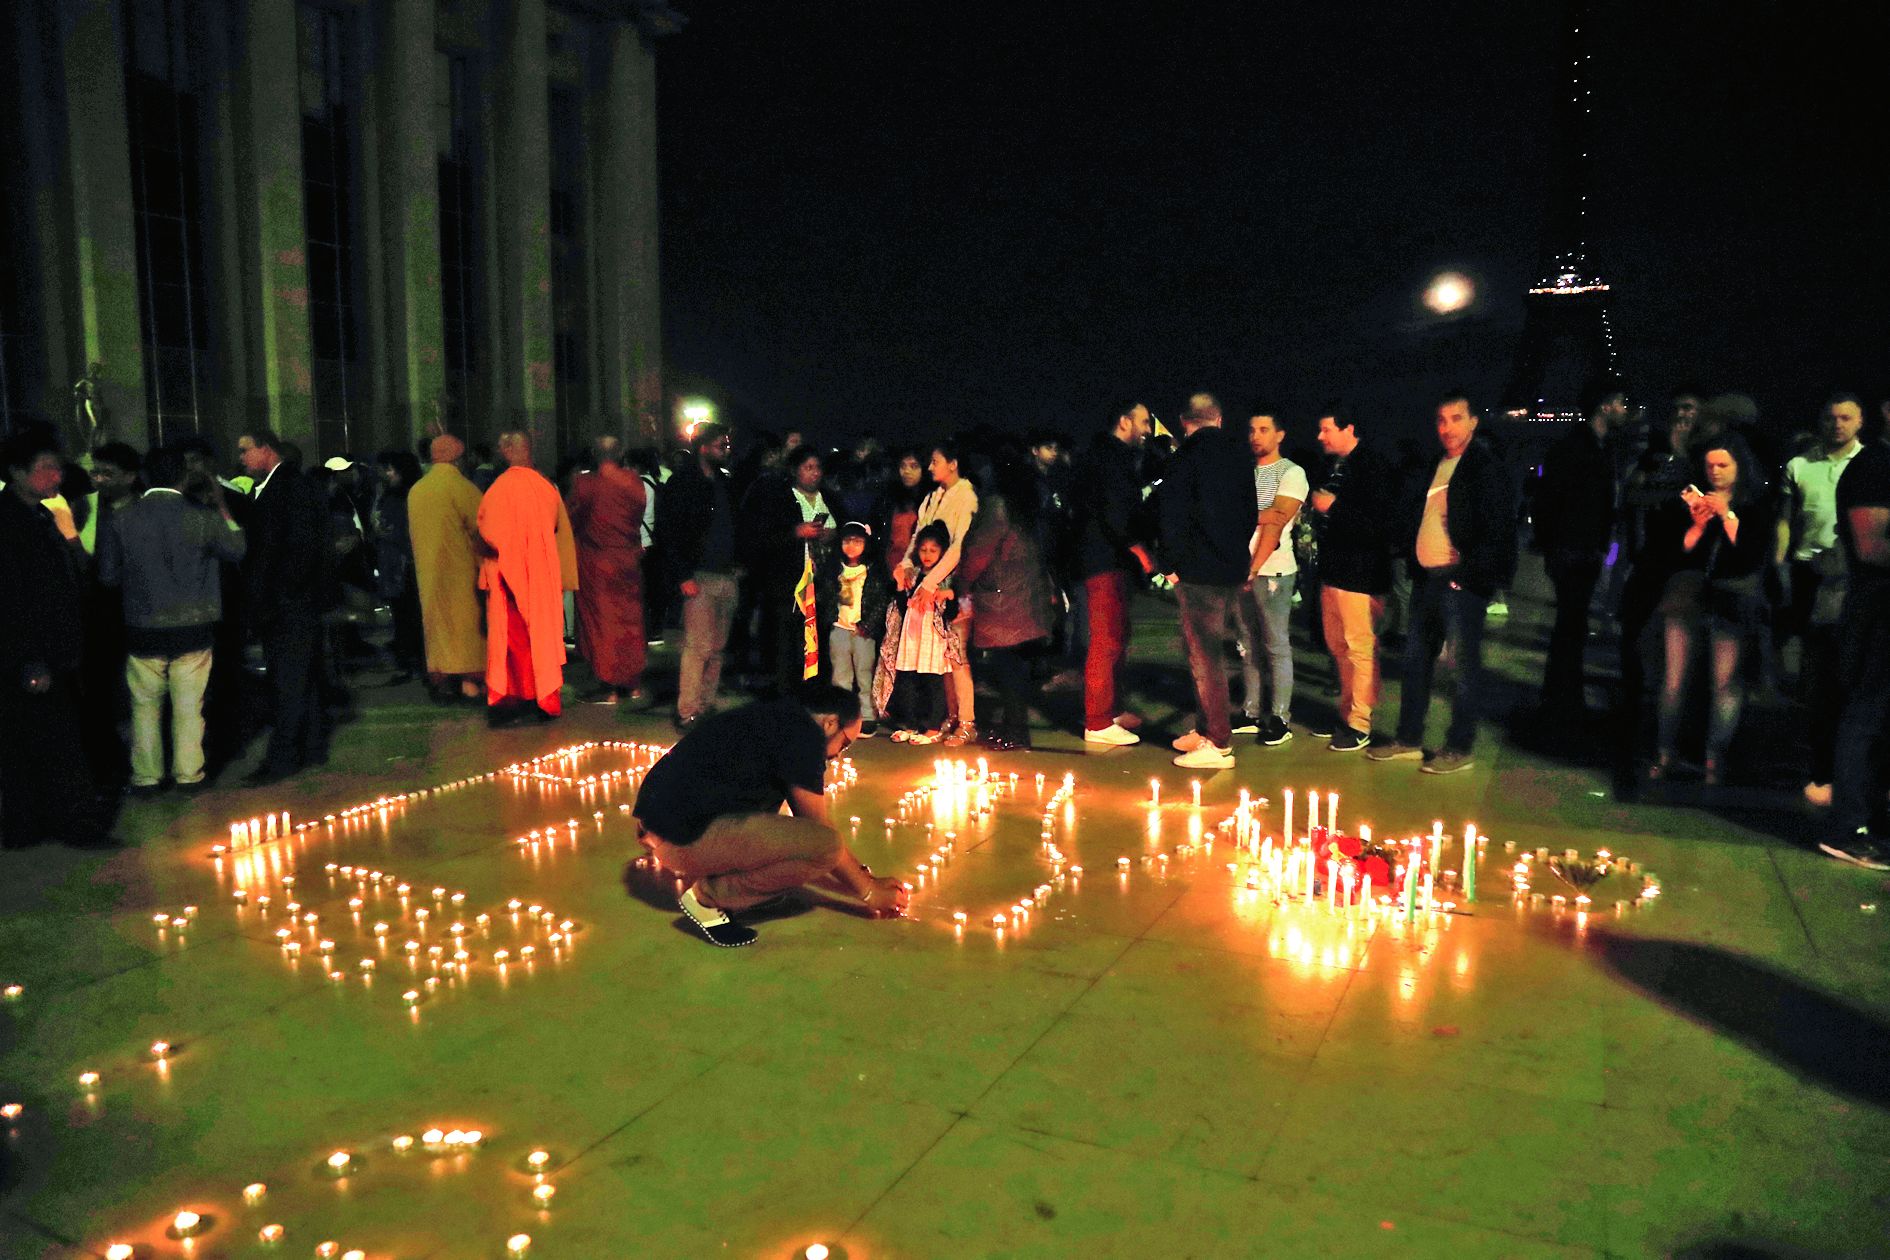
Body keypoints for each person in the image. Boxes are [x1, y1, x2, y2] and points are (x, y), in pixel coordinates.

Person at [633, 680, 909, 947]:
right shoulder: (803, 737)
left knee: (788, 831)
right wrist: (869, 892)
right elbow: (820, 831)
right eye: (845, 743)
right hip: (680, 840)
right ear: (830, 723)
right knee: (823, 845)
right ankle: (707, 899)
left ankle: (728, 881)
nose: (838, 755)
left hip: (658, 825)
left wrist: (865, 877)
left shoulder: (777, 714)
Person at [1368, 390, 1517, 774]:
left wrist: (1466, 576)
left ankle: (1459, 746)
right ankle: (1409, 738)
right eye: (1441, 420)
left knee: (1463, 668)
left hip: (1458, 583)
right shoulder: (1436, 465)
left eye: (1456, 418)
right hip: (1428, 579)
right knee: (1416, 661)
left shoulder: (1483, 467)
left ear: (1473, 422)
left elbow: (1497, 528)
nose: (1447, 427)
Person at [97, 445, 247, 792]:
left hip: (142, 624)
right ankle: (188, 773)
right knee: (189, 706)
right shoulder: (202, 515)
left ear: (145, 476)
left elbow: (108, 576)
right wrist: (221, 506)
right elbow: (237, 547)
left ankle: (146, 776)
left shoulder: (121, 519)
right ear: (183, 476)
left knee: (144, 706)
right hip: (194, 625)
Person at [1641, 433, 1775, 785]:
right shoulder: (1691, 498)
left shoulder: (1754, 504)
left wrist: (1728, 516)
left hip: (1730, 599)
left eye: (1723, 465)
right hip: (1688, 594)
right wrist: (1699, 525)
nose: (1715, 472)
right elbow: (1677, 553)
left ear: (1739, 467)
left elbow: (1750, 555)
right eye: (1710, 465)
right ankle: (1665, 751)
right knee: (1674, 680)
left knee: (1724, 683)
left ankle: (1714, 758)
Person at [0, 428, 106, 847]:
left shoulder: (40, 515)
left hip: (57, 650)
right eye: (45, 468)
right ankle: (65, 825)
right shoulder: (8, 523)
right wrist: (30, 659)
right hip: (30, 655)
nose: (56, 476)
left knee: (47, 739)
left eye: (57, 467)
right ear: (17, 472)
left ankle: (34, 824)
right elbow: (11, 598)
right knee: (45, 743)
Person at [1777, 394, 1865, 806]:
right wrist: (1779, 563)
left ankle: (1831, 764)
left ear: (1860, 421)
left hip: (1852, 574)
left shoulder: (1868, 466)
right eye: (1830, 417)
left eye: (1846, 418)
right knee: (1811, 672)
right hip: (1808, 571)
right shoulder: (1800, 465)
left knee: (1843, 669)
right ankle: (1814, 757)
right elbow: (1787, 518)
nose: (1837, 425)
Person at [1160, 393, 1255, 770]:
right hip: (1230, 565)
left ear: (1185, 421)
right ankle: (1205, 729)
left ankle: (1217, 740)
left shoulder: (1185, 458)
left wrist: (1170, 564)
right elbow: (1250, 512)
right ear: (1218, 419)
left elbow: (1172, 514)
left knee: (1203, 654)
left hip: (1197, 569)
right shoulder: (1238, 456)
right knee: (1209, 650)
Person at [236, 428, 332, 784]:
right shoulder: (294, 486)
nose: (242, 458)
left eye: (246, 450)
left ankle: (283, 757)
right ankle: (310, 747)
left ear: (267, 450)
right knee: (301, 679)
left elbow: (293, 549)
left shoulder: (286, 488)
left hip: (288, 603)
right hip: (296, 600)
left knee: (288, 681)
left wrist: (279, 596)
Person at [1819, 406, 1890, 870]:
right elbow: (1870, 547)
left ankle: (1869, 821)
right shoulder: (1875, 467)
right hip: (1879, 610)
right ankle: (1849, 828)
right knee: (1866, 714)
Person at [1533, 383, 1627, 716]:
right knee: (1571, 625)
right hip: (1575, 549)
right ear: (1605, 406)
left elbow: (1547, 498)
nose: (1624, 409)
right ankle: (1563, 697)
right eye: (1619, 402)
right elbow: (1553, 500)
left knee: (1570, 624)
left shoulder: (1584, 446)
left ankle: (1561, 694)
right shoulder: (1583, 448)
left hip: (1575, 547)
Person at [1309, 406, 1396, 752]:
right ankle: (1347, 715)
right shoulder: (1336, 466)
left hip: (1361, 575)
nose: (1320, 436)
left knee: (1360, 648)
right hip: (1334, 572)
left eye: (1326, 429)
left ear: (1349, 429)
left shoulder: (1373, 466)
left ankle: (1360, 722)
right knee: (1339, 647)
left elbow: (1381, 523)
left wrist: (1333, 508)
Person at [477, 430, 579, 726]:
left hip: (508, 580)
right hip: (542, 575)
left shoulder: (499, 488)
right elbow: (558, 527)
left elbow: (488, 533)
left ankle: (512, 699)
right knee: (542, 640)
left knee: (512, 644)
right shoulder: (546, 486)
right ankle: (544, 699)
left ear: (508, 450)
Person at [957, 454, 1056, 751]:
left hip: (1003, 596)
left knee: (1007, 667)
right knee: (1016, 666)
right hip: (1025, 593)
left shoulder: (997, 507)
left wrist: (964, 583)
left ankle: (1015, 731)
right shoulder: (1029, 507)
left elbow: (979, 551)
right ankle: (1015, 727)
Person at [1072, 402, 1154, 746]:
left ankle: (1112, 710)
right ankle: (1098, 721)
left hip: (1109, 559)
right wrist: (1139, 550)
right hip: (1104, 559)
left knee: (1117, 637)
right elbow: (1115, 513)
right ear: (1124, 422)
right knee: (1105, 640)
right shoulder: (1110, 459)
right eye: (1144, 422)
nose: (1149, 429)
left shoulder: (1106, 456)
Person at [658, 423, 741, 728]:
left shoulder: (724, 482)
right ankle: (687, 709)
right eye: (721, 445)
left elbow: (734, 524)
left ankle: (705, 704)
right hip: (699, 575)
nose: (726, 450)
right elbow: (669, 532)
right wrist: (683, 574)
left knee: (717, 647)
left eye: (727, 445)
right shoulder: (683, 483)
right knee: (697, 647)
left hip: (725, 574)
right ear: (703, 447)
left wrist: (737, 565)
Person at [1232, 408, 1307, 747]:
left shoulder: (1291, 473)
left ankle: (1280, 716)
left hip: (1273, 569)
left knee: (1275, 644)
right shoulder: (1244, 474)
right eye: (1251, 429)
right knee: (1247, 645)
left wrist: (1253, 567)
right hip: (1241, 570)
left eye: (1264, 429)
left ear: (1280, 434)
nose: (1255, 436)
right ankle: (1250, 712)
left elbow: (1277, 519)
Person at [896, 442, 979, 744]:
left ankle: (967, 721)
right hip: (928, 586)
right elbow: (918, 537)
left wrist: (931, 584)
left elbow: (959, 546)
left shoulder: (966, 496)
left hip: (954, 589)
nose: (930, 467)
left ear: (953, 463)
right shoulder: (932, 497)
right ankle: (951, 715)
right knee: (943, 658)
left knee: (957, 657)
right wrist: (905, 565)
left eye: (935, 461)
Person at [743, 445, 835, 692]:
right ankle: (787, 691)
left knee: (816, 638)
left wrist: (832, 535)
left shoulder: (829, 498)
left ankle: (814, 688)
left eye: (817, 467)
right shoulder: (781, 499)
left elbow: (849, 528)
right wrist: (795, 532)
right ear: (795, 471)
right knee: (787, 640)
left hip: (821, 581)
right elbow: (764, 538)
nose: (815, 473)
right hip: (788, 582)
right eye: (808, 467)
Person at [566, 434, 649, 705]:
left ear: (594, 454)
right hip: (628, 559)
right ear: (621, 453)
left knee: (602, 625)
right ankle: (632, 683)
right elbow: (636, 517)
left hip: (598, 562)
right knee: (630, 622)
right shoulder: (634, 482)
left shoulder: (586, 484)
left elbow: (572, 519)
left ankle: (609, 686)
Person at [407, 434, 488, 702]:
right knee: (465, 629)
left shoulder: (417, 490)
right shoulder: (463, 488)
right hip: (460, 571)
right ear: (458, 458)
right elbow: (482, 528)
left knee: (437, 628)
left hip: (427, 573)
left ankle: (442, 681)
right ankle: (468, 683)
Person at [877, 521, 962, 743]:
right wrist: (898, 585)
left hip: (932, 637)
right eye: (923, 549)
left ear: (943, 552)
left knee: (932, 682)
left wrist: (949, 595)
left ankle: (932, 727)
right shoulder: (913, 574)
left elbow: (952, 611)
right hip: (911, 635)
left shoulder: (945, 578)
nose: (927, 555)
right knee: (907, 680)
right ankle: (910, 724)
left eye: (933, 550)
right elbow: (903, 606)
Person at [816, 520, 894, 737]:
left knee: (864, 674)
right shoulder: (833, 569)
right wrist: (830, 618)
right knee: (840, 675)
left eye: (857, 542)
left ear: (866, 544)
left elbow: (880, 601)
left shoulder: (873, 571)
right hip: (839, 628)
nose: (851, 546)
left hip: (863, 632)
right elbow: (825, 595)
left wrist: (868, 625)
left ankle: (867, 716)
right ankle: (842, 714)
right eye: (847, 541)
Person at [372, 451, 425, 685]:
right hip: (397, 565)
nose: (387, 474)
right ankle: (412, 662)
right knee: (404, 615)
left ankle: (412, 663)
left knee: (409, 616)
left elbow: (396, 531)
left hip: (403, 566)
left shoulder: (406, 497)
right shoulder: (391, 494)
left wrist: (382, 531)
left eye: (391, 469)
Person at [883, 448, 930, 576]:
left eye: (914, 466)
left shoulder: (931, 500)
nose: (907, 471)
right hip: (891, 567)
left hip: (920, 568)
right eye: (903, 466)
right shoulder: (891, 498)